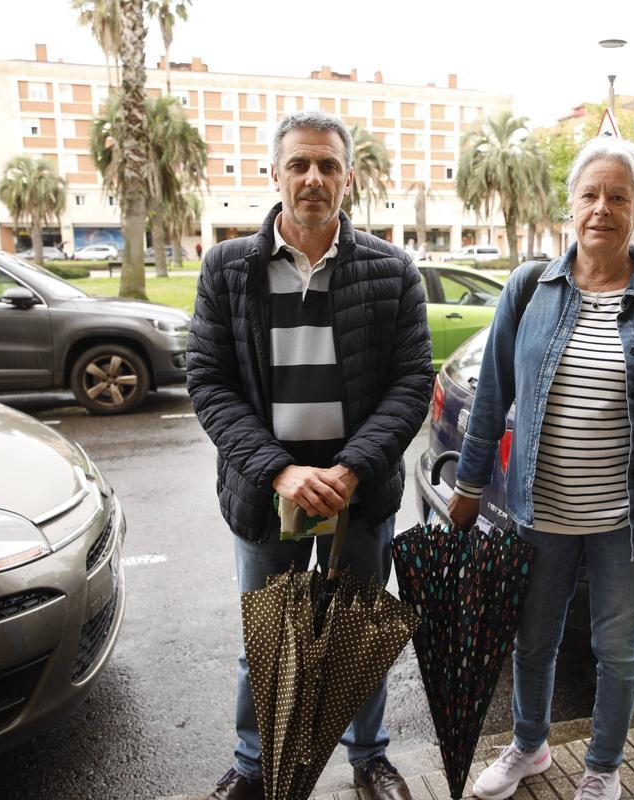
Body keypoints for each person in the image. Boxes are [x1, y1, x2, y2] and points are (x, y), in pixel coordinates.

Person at [449, 137, 634, 800]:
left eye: (618, 197)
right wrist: (469, 484)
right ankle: (529, 747)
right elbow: (492, 395)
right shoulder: (529, 288)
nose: (602, 208)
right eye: (590, 195)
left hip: (627, 520)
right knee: (533, 641)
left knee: (616, 650)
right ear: (570, 206)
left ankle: (603, 766)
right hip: (540, 511)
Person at [187, 110, 434, 800]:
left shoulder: (392, 270)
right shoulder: (227, 268)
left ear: (348, 177)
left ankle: (369, 758)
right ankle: (253, 765)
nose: (313, 178)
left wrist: (352, 469)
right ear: (275, 173)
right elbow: (208, 381)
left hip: (361, 493)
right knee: (266, 640)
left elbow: (412, 382)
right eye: (299, 164)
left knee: (356, 635)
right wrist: (280, 471)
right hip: (267, 492)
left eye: (328, 165)